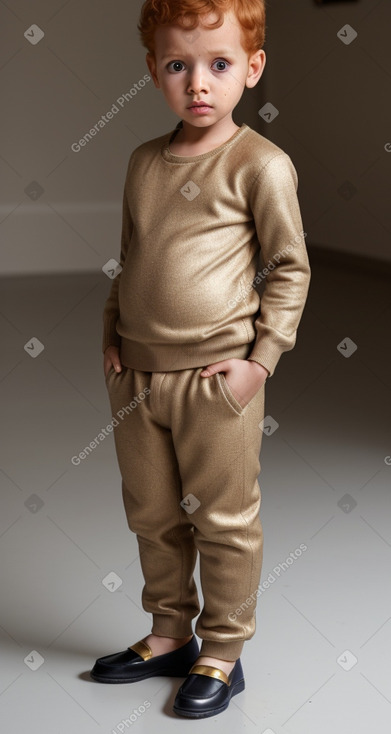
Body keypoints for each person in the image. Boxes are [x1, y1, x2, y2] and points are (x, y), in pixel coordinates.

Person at [90, 0, 311, 719]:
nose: (198, 84)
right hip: (138, 376)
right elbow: (130, 259)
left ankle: (222, 648)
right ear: (153, 71)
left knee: (221, 519)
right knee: (152, 513)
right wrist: (112, 336)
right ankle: (168, 633)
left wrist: (261, 359)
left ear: (252, 68)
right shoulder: (143, 162)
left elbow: (288, 268)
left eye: (218, 64)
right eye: (178, 65)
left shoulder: (260, 164)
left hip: (218, 379)